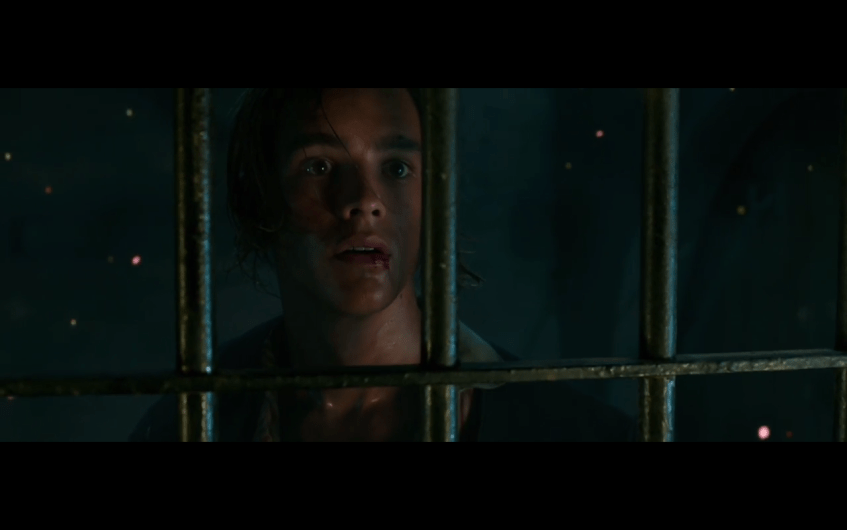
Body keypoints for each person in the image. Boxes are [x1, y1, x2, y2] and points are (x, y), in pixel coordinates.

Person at [130, 88, 635, 442]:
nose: (364, 200)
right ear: (261, 198)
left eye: (396, 168)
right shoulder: (189, 418)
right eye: (318, 166)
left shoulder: (575, 431)